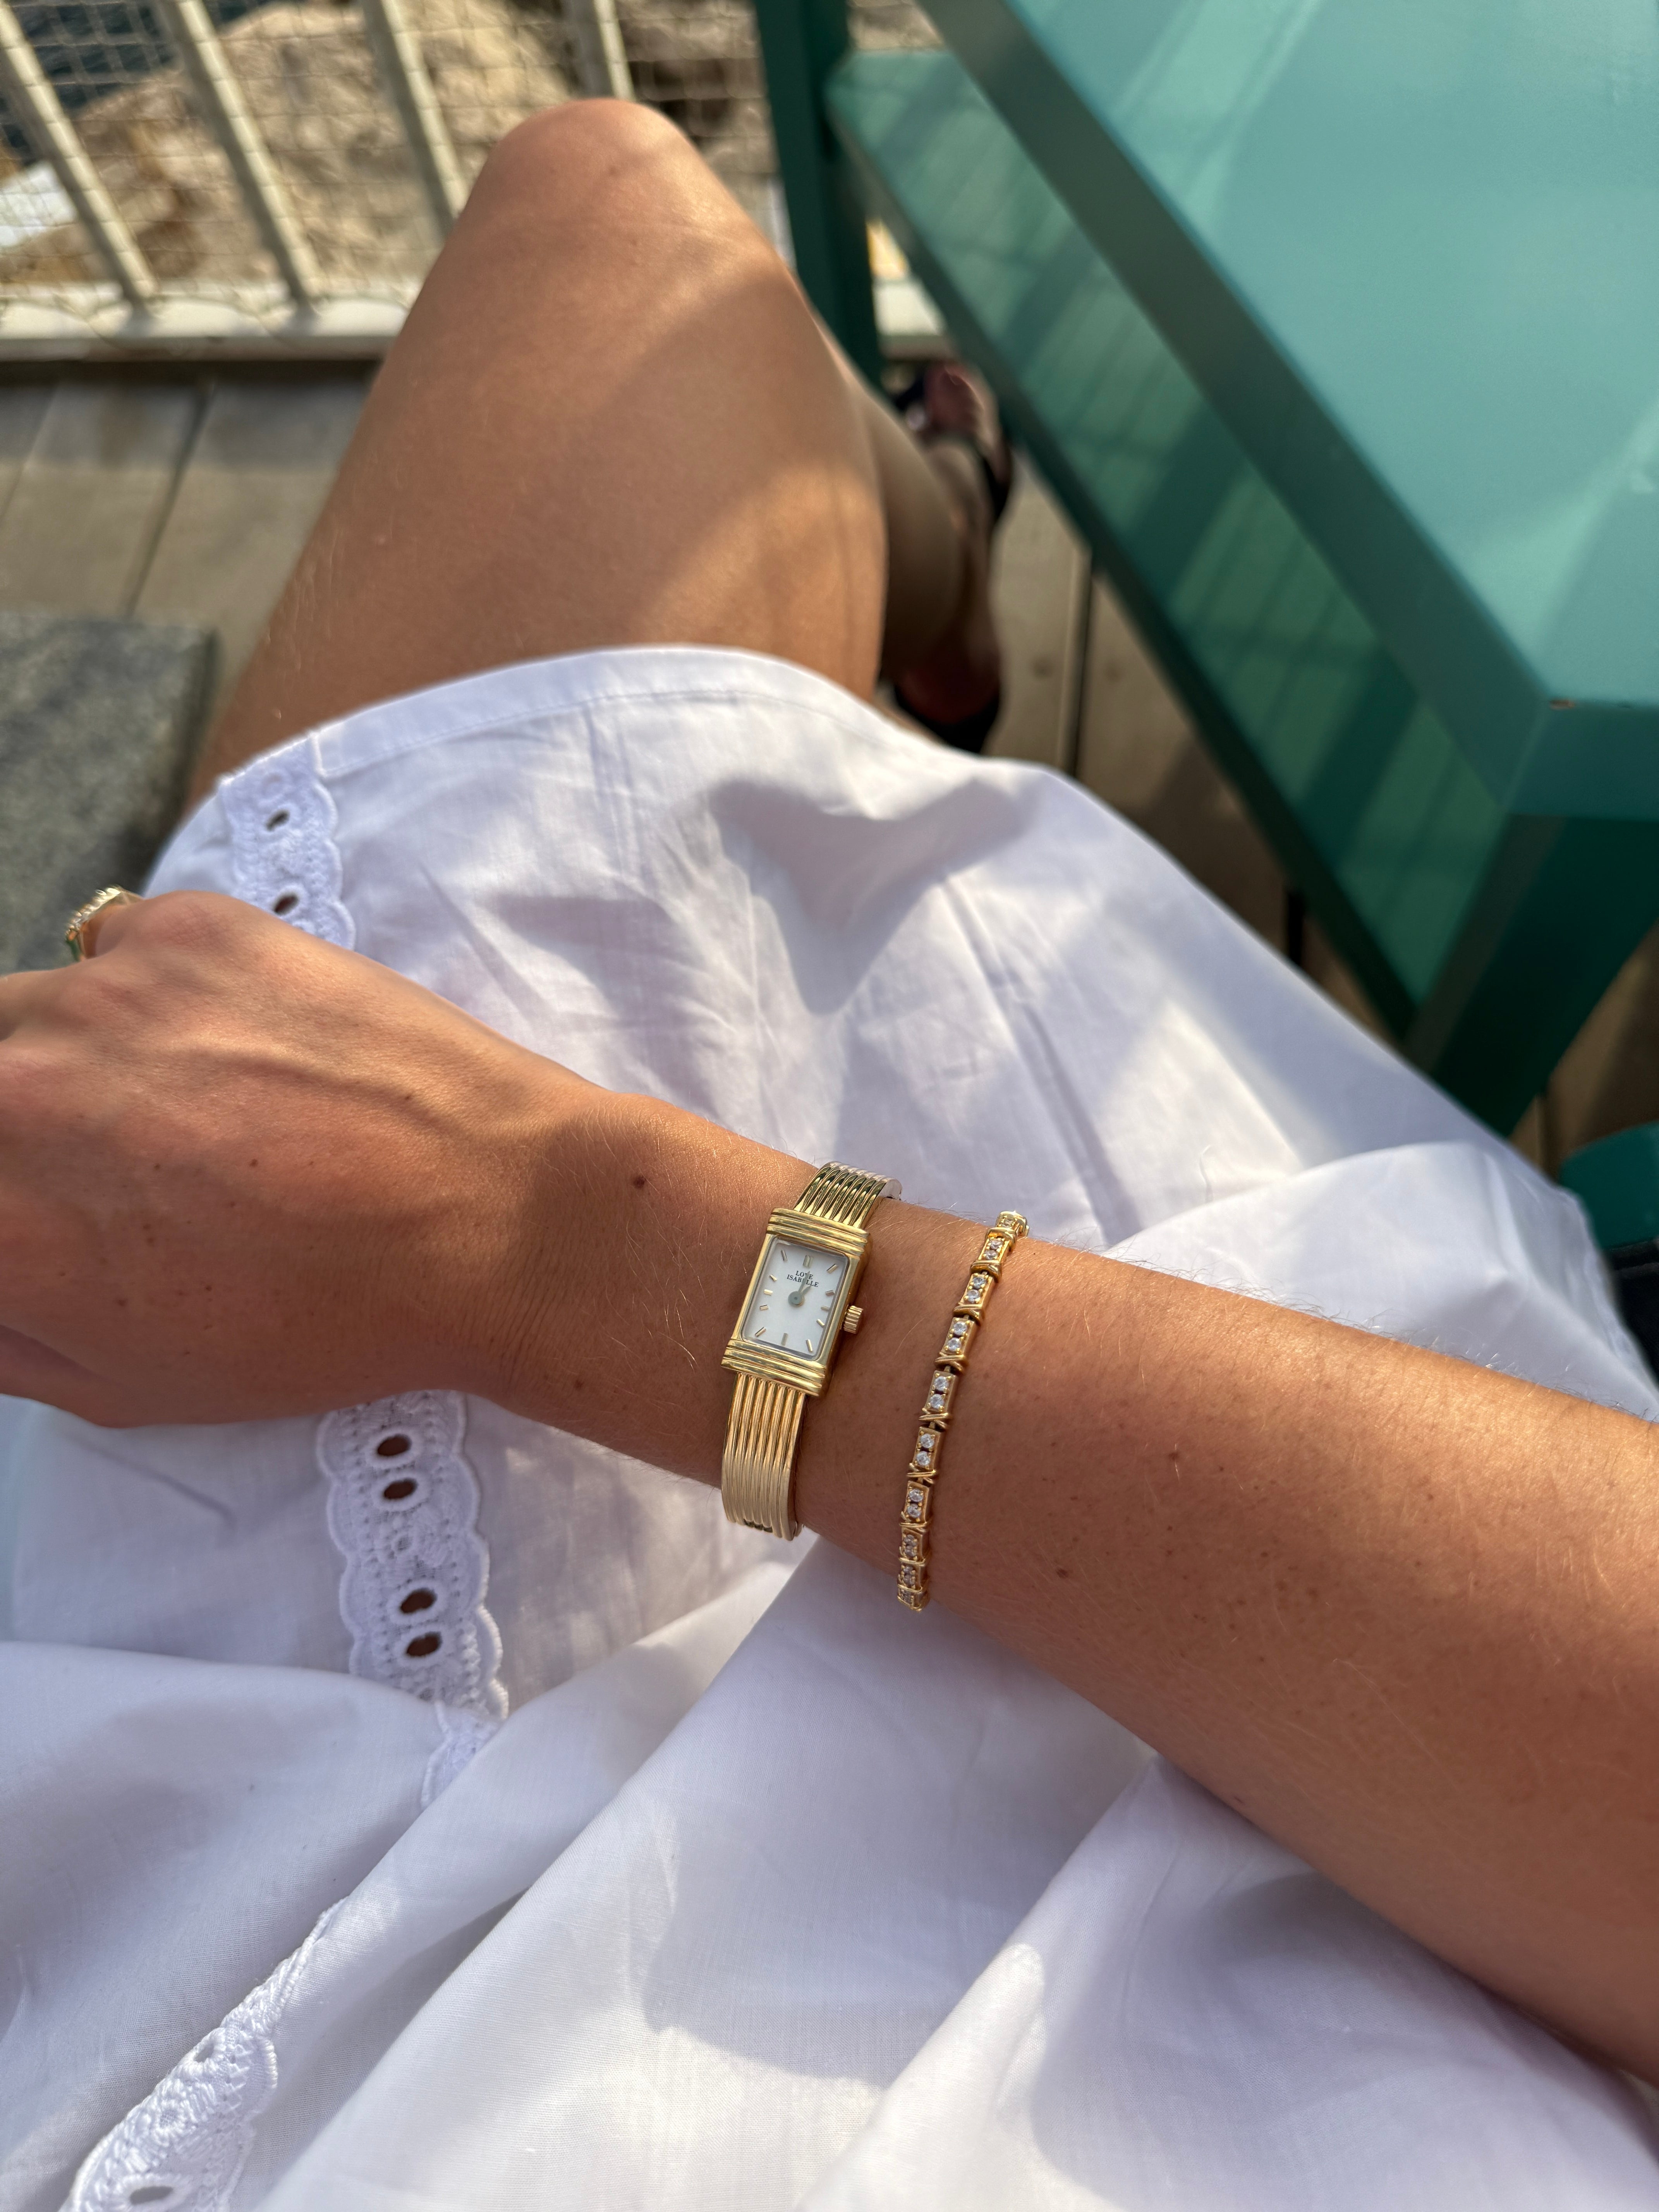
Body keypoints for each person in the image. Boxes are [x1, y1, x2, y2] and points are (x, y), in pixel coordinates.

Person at [3, 97, 1659, 2212]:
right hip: (1351, 1695)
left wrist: (536, 1233)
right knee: (623, 234)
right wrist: (542, 1238)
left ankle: (939, 544)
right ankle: (943, 549)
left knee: (612, 222)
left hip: (162, 1871)